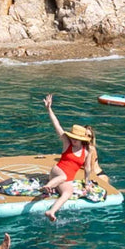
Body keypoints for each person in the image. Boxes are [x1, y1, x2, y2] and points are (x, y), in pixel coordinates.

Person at [41, 94, 93, 222]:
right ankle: (47, 187)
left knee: (68, 193)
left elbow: (87, 168)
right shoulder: (67, 143)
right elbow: (57, 125)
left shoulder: (87, 152)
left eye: (76, 139)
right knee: (63, 176)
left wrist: (87, 183)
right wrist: (49, 109)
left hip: (67, 180)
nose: (73, 140)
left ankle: (51, 211)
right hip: (57, 172)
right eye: (73, 137)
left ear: (82, 140)